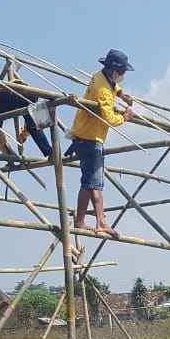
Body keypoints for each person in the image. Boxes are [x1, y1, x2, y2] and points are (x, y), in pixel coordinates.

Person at [67, 49, 135, 236]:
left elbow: (113, 86)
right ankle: (99, 222)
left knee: (90, 181)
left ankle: (86, 220)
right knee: (94, 182)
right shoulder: (103, 90)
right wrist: (126, 118)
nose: (122, 76)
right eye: (121, 73)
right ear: (114, 71)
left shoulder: (101, 76)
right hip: (90, 137)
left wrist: (121, 95)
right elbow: (109, 118)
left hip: (84, 134)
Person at [0, 68, 52, 159]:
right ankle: (51, 153)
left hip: (7, 96)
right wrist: (23, 136)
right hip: (32, 94)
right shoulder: (27, 87)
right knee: (36, 127)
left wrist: (4, 152)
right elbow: (31, 125)